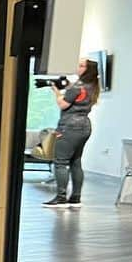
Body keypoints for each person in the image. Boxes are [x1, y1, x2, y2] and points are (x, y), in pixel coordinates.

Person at [44, 57, 101, 209]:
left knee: (61, 162)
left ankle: (61, 197)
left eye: (82, 66)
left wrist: (57, 92)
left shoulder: (78, 86)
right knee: (76, 162)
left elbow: (63, 105)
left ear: (88, 70)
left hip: (69, 126)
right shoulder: (92, 86)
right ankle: (75, 197)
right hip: (85, 126)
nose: (78, 67)